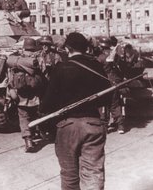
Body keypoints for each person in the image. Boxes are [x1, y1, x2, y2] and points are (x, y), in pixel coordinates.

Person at [40, 32, 111, 189]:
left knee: (70, 176)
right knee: (93, 173)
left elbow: (48, 102)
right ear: (86, 49)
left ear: (67, 48)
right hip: (93, 124)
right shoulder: (97, 67)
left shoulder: (60, 68)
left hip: (67, 127)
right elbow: (107, 97)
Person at [6, 38, 47, 152]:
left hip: (21, 93)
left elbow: (10, 76)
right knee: (35, 115)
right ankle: (37, 134)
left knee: (23, 117)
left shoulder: (16, 59)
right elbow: (44, 72)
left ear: (24, 47)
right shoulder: (38, 58)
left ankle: (28, 140)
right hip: (35, 93)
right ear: (34, 47)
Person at [96, 36, 126, 134]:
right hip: (115, 82)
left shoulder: (100, 57)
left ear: (101, 46)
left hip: (104, 82)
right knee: (115, 104)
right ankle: (120, 126)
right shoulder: (115, 55)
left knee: (104, 105)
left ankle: (104, 126)